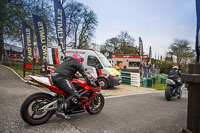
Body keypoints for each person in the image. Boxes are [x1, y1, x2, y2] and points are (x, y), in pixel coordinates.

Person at [51, 53, 95, 119]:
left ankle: (63, 104)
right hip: (62, 78)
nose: (82, 61)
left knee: (67, 92)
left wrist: (78, 78)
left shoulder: (68, 61)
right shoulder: (77, 63)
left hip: (55, 77)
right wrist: (90, 83)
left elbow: (71, 73)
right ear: (79, 58)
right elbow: (84, 75)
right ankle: (59, 111)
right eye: (82, 60)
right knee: (74, 94)